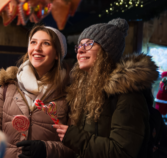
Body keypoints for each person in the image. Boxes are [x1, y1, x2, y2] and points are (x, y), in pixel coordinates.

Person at [53, 18, 159, 158]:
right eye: (79, 46)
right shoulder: (84, 89)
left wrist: (74, 137)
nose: (80, 50)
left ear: (107, 51)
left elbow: (122, 152)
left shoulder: (127, 94)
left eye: (89, 44)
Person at [0, 25, 74, 158]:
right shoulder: (9, 87)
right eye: (33, 42)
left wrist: (46, 149)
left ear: (57, 54)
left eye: (46, 43)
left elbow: (75, 146)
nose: (37, 48)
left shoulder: (69, 93)